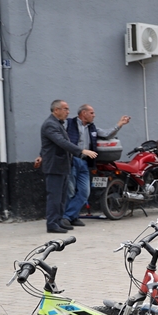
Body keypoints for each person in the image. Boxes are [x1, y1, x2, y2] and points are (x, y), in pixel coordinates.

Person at [64, 104, 129, 226]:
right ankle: (70, 217)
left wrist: (120, 124)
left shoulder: (92, 128)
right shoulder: (69, 123)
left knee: (84, 192)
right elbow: (58, 139)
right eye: (92, 113)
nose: (94, 115)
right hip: (71, 160)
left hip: (84, 162)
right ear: (83, 113)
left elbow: (107, 134)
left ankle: (69, 216)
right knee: (70, 191)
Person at [41, 100, 97, 233]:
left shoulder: (58, 124)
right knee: (54, 197)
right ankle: (52, 223)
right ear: (56, 110)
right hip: (54, 166)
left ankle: (59, 220)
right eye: (65, 109)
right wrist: (81, 151)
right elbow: (62, 142)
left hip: (63, 166)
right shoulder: (50, 124)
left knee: (61, 197)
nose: (68, 112)